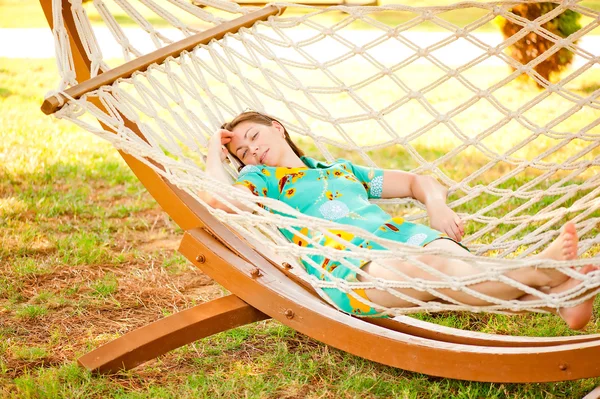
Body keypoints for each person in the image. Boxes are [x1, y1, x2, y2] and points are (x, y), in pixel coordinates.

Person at [202, 111, 597, 330]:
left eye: (254, 136)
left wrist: (437, 206)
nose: (253, 150)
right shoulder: (261, 181)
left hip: (405, 239)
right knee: (435, 267)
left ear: (278, 127)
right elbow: (218, 199)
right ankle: (544, 272)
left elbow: (414, 182)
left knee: (452, 263)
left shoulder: (339, 170)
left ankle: (561, 300)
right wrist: (212, 153)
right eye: (242, 151)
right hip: (350, 267)